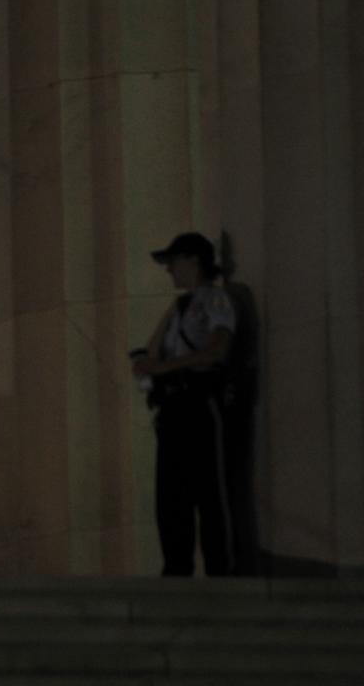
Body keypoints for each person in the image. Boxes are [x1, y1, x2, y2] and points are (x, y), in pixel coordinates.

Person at [132, 232, 236, 576]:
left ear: (193, 261)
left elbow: (219, 348)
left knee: (208, 494)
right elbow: (150, 353)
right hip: (173, 408)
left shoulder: (215, 300)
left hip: (198, 403)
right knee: (171, 498)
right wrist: (150, 366)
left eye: (173, 262)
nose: (169, 271)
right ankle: (176, 569)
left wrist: (164, 367)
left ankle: (220, 569)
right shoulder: (178, 308)